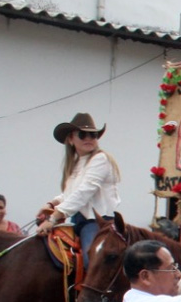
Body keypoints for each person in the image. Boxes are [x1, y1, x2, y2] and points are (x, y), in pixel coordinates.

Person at [36, 113, 120, 267]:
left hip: (99, 222)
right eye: (83, 134)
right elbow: (72, 193)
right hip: (79, 221)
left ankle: (100, 291)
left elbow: (84, 192)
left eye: (93, 135)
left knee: (91, 261)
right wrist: (52, 203)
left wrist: (53, 217)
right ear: (71, 139)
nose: (88, 138)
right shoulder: (77, 163)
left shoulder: (100, 159)